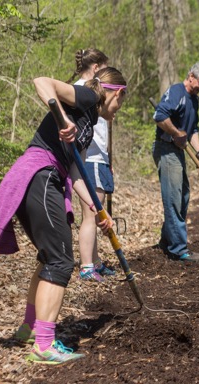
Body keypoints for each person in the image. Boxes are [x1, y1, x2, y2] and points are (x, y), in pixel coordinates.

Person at [0, 67, 128, 364]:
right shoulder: (88, 97)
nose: (117, 112)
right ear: (117, 93)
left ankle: (30, 326)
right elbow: (41, 81)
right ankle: (45, 345)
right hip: (41, 174)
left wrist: (96, 209)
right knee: (61, 260)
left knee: (49, 257)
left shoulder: (88, 123)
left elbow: (77, 173)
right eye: (120, 103)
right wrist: (63, 120)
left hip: (40, 176)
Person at [153, 62, 199, 262]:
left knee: (183, 196)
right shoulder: (176, 92)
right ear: (191, 76)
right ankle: (178, 249)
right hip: (166, 149)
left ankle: (167, 241)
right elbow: (160, 116)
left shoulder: (194, 100)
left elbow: (192, 130)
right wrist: (176, 133)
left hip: (177, 151)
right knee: (174, 199)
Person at [69, 48, 117, 282]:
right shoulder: (82, 90)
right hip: (90, 160)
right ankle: (87, 265)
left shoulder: (93, 91)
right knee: (91, 214)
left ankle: (95, 262)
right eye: (105, 67)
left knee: (94, 213)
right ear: (96, 67)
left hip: (98, 158)